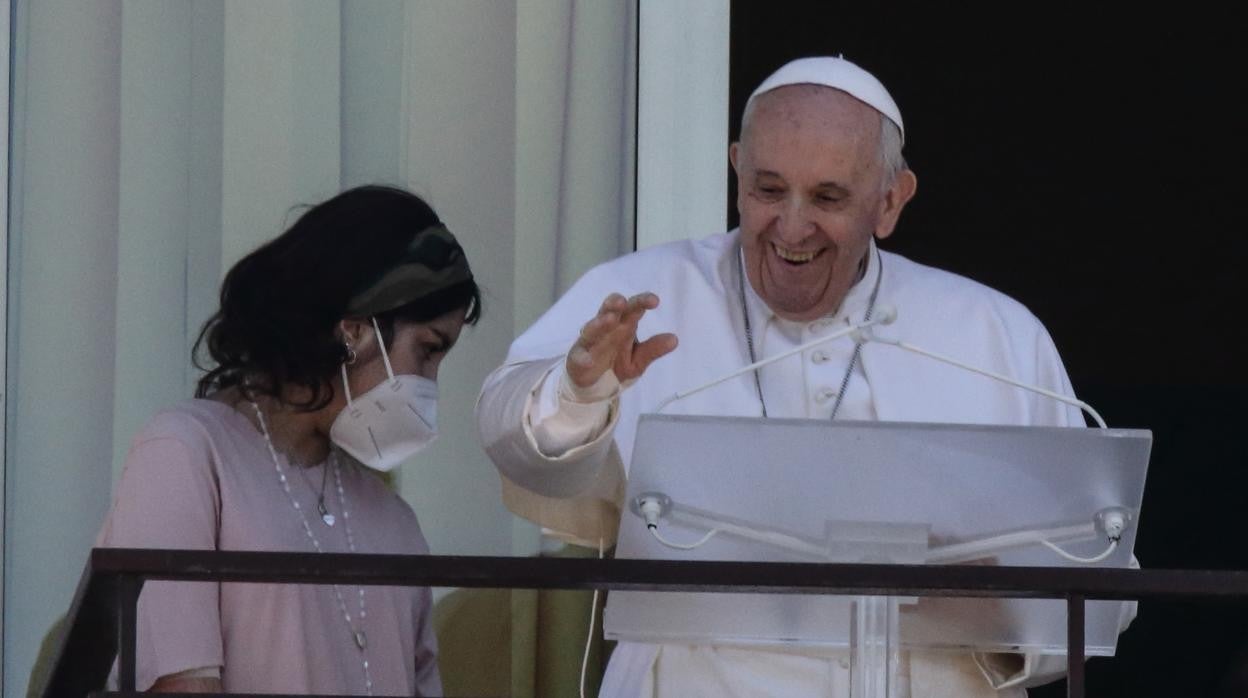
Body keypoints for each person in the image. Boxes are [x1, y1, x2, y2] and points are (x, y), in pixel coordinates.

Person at [476, 57, 1097, 697]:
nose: (792, 227)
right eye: (768, 190)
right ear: (737, 170)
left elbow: (1093, 568)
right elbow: (516, 445)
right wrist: (581, 395)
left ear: (890, 202)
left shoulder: (993, 333)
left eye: (828, 197)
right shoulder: (643, 297)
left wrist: (993, 610)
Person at [96, 185, 480, 695]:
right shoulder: (185, 453)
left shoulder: (393, 520)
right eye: (428, 350)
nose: (430, 384)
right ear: (355, 331)